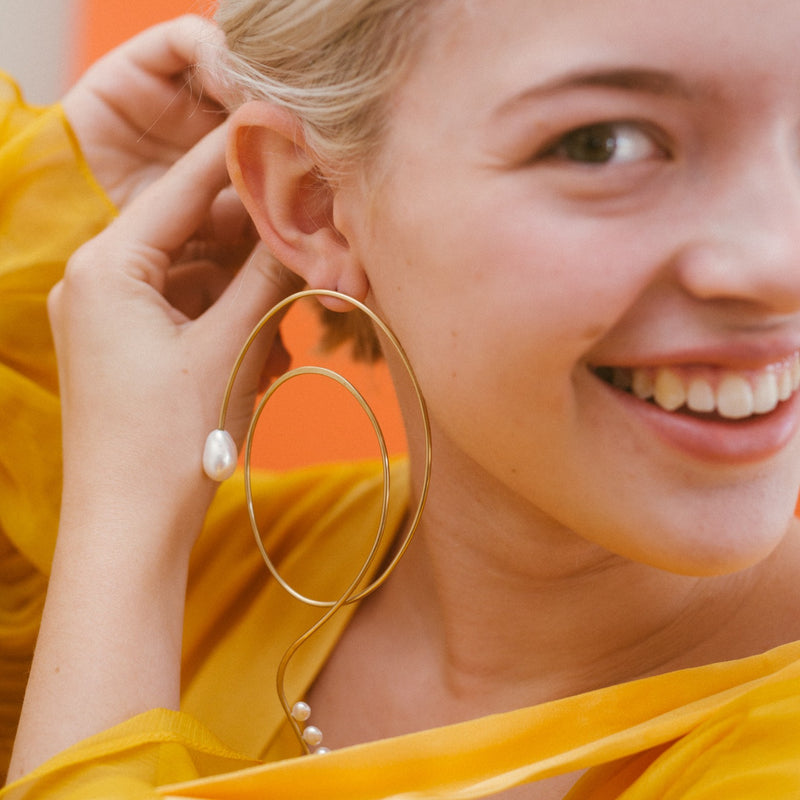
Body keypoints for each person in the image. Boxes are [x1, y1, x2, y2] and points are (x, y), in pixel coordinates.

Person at [4, 0, 800, 797]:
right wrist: (46, 250)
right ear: (311, 202)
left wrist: (124, 512)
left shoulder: (139, 565)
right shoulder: (224, 572)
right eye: (604, 145)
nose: (779, 268)